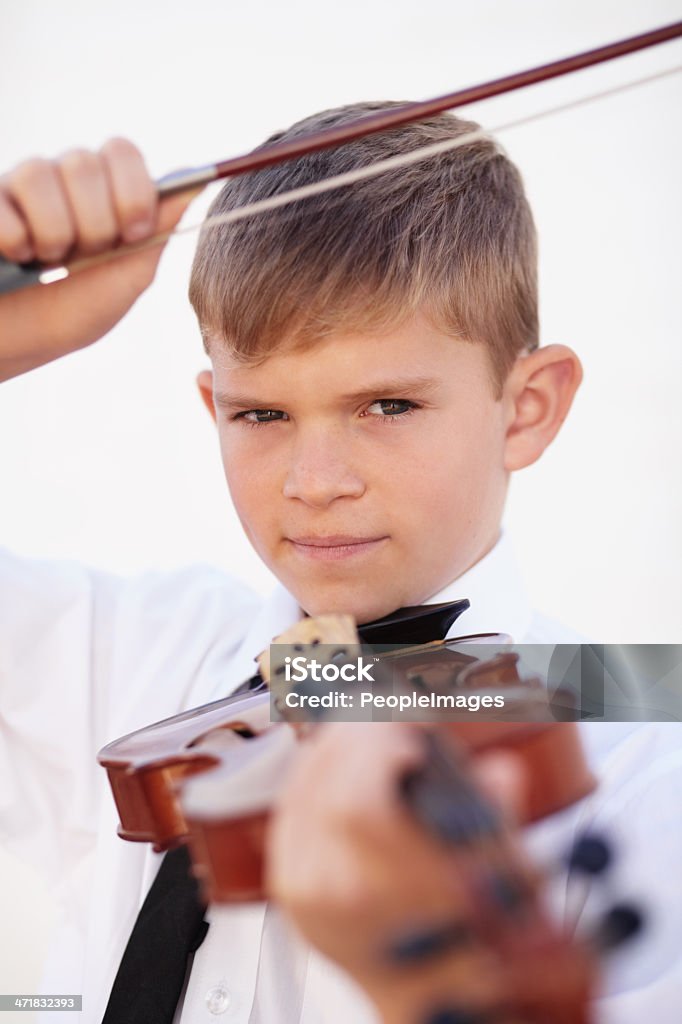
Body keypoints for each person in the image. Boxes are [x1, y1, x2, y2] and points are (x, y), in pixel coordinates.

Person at [0, 107, 680, 1024]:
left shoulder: (641, 765)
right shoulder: (125, 658)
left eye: (388, 405)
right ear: (212, 407)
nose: (314, 485)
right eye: (262, 416)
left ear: (525, 409)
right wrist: (21, 336)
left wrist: (427, 988)